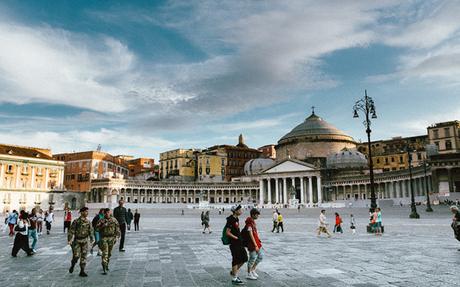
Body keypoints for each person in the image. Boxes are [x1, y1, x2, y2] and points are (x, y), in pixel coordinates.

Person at [68, 207, 94, 277]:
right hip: (77, 241)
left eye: (87, 211)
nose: (87, 213)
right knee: (76, 256)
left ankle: (82, 271)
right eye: (85, 211)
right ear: (81, 212)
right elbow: (71, 231)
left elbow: (91, 231)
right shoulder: (76, 221)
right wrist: (69, 239)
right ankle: (73, 265)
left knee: (84, 256)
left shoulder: (88, 222)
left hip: (85, 241)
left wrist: (92, 239)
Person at [226, 204, 247, 285]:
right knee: (236, 259)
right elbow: (227, 232)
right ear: (236, 211)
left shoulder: (236, 218)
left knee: (244, 258)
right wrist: (236, 238)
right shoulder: (230, 219)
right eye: (240, 209)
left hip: (239, 242)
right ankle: (234, 278)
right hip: (234, 243)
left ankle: (233, 272)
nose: (241, 211)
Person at [97, 208, 120, 274]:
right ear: (104, 213)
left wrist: (117, 237)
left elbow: (117, 229)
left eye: (108, 212)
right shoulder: (101, 220)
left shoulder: (114, 220)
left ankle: (106, 263)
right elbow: (96, 229)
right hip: (104, 238)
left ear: (110, 213)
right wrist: (102, 226)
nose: (107, 214)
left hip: (111, 238)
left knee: (109, 253)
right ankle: (104, 266)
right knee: (105, 253)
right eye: (105, 213)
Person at [244, 208, 263, 281]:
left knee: (260, 256)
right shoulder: (249, 223)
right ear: (253, 215)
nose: (258, 216)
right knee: (252, 258)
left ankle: (253, 269)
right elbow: (251, 235)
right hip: (252, 244)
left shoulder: (253, 222)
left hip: (257, 242)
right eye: (257, 214)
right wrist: (255, 245)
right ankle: (248, 273)